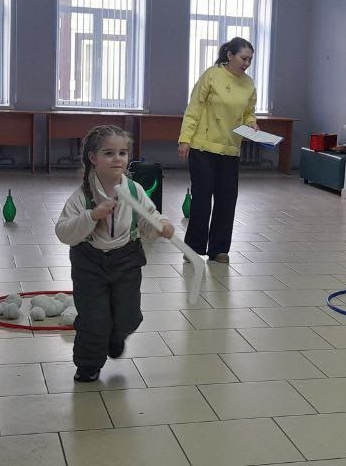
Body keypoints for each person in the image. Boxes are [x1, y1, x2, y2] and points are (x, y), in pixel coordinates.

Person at [55, 125, 174, 382]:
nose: (117, 159)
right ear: (93, 158)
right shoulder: (81, 196)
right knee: (93, 318)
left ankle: (117, 334)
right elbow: (63, 232)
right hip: (89, 262)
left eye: (122, 153)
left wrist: (160, 226)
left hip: (127, 258)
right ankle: (88, 364)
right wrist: (92, 216)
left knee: (128, 316)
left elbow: (148, 219)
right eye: (108, 153)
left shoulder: (135, 191)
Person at [177, 37, 259, 263]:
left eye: (250, 60)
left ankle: (219, 249)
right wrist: (185, 139)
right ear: (230, 55)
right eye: (243, 58)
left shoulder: (249, 84)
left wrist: (252, 122)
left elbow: (248, 112)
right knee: (202, 200)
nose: (246, 63)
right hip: (202, 147)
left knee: (226, 201)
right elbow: (194, 108)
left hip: (230, 150)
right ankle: (193, 249)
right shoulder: (212, 75)